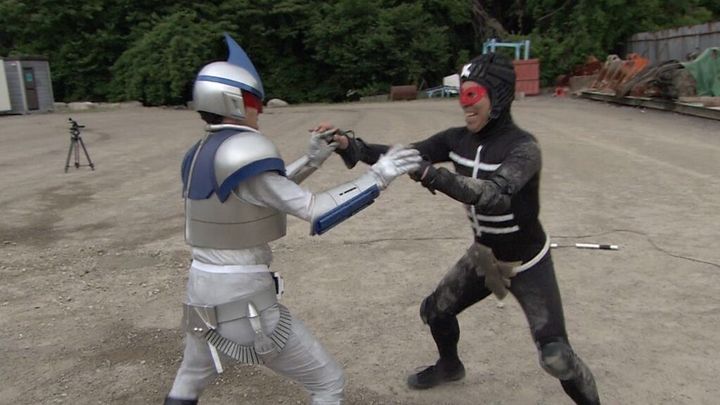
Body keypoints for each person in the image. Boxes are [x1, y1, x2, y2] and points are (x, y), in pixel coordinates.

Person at [320, 53, 601, 404]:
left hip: (528, 264)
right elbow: (403, 155)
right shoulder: (457, 139)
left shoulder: (524, 148)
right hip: (485, 258)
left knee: (556, 357)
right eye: (462, 95)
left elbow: (494, 196)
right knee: (434, 311)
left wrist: (433, 175)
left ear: (498, 96)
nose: (464, 105)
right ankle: (450, 366)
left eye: (472, 95)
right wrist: (351, 146)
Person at [164, 34, 421, 405]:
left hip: (200, 292)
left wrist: (312, 159)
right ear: (233, 101)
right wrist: (380, 175)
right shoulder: (241, 150)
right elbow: (315, 210)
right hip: (242, 298)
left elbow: (262, 193)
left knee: (189, 380)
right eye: (253, 101)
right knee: (328, 383)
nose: (259, 109)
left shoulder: (201, 152)